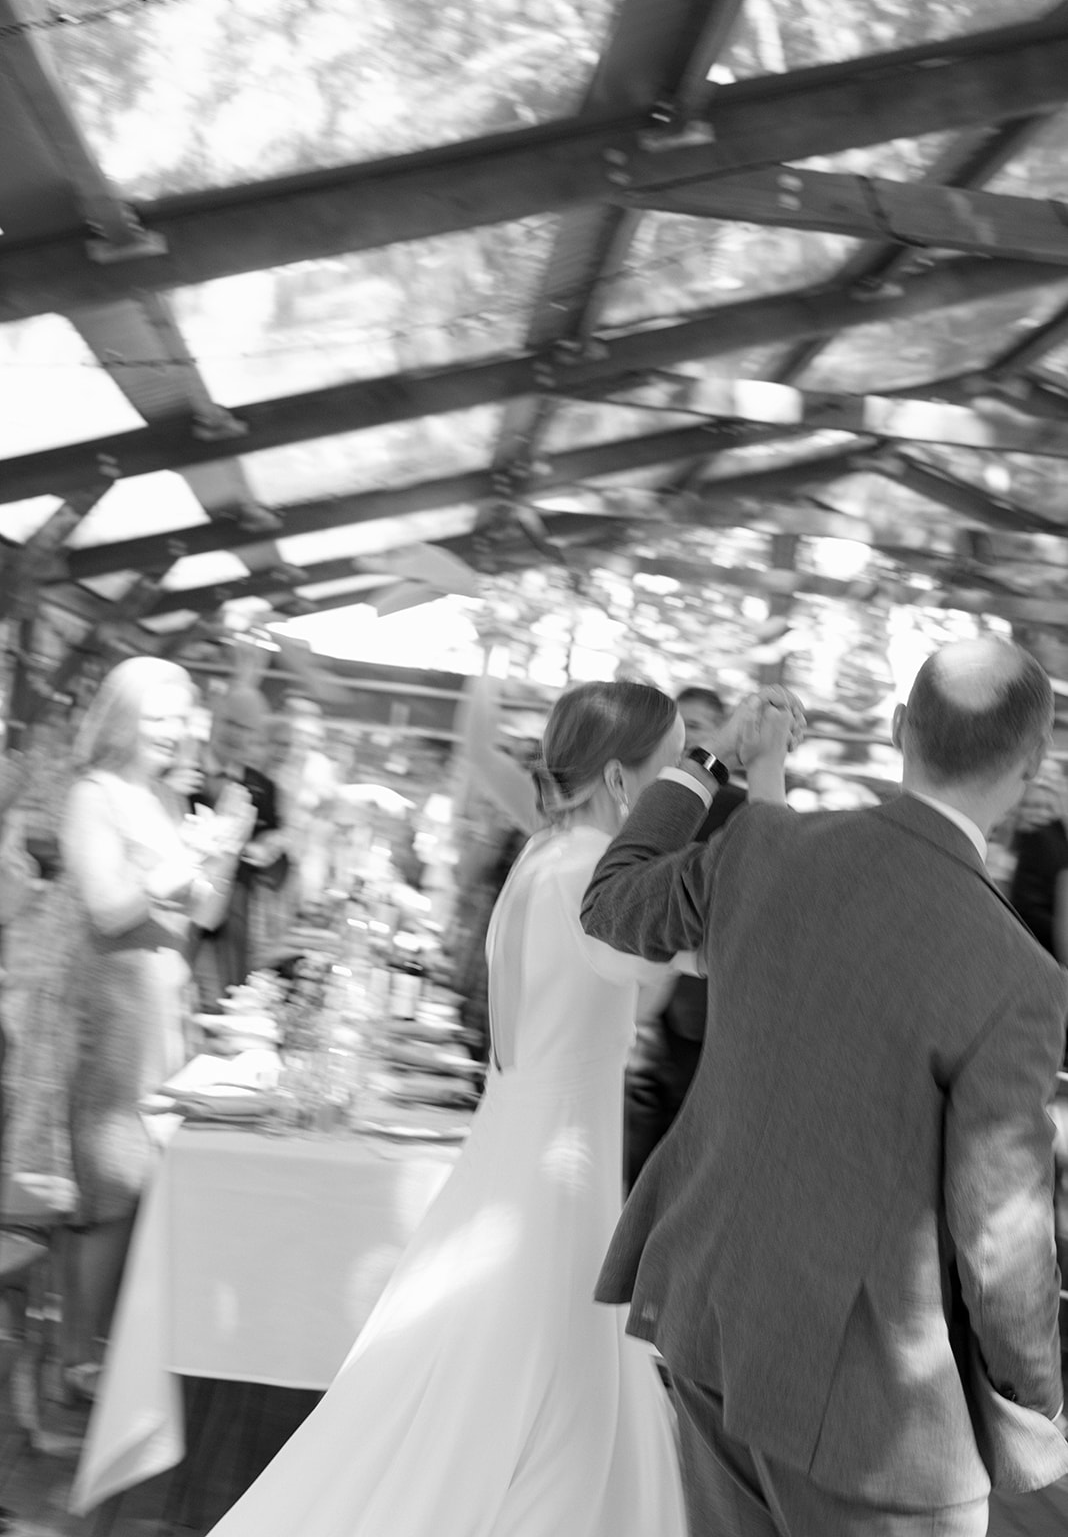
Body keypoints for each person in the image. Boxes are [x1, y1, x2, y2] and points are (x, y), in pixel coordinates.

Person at [200, 679, 787, 1537]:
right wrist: (751, 772)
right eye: (666, 770)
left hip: (523, 1151)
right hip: (556, 1174)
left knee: (519, 1378)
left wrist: (735, 767)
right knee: (538, 1385)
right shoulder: (586, 871)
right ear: (621, 781)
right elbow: (747, 925)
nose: (678, 793)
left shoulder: (545, 856)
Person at [581, 638, 1068, 1536]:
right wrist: (1038, 1397)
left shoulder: (766, 846)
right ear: (1033, 764)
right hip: (872, 1415)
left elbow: (612, 898)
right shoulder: (1019, 976)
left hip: (713, 1326)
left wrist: (706, 759)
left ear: (899, 729)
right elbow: (1000, 1232)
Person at [61, 658, 254, 1399]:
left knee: (151, 1184)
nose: (176, 730)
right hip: (115, 1009)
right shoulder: (94, 795)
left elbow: (205, 912)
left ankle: (120, 1356)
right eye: (161, 716)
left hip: (165, 1008)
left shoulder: (168, 799)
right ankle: (76, 1364)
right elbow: (108, 908)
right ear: (124, 716)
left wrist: (224, 848)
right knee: (112, 1184)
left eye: (182, 716)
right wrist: (183, 863)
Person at [624, 684, 748, 1187]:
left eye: (699, 726)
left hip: (709, 1009)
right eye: (682, 728)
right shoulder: (657, 803)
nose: (690, 739)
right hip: (653, 1012)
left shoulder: (741, 809)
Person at [190, 684, 288, 1004]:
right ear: (214, 719)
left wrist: (270, 848)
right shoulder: (181, 772)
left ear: (255, 735)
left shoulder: (263, 789)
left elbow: (277, 864)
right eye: (230, 722)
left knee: (218, 1003)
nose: (235, 734)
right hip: (178, 908)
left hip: (230, 922)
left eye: (245, 728)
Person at [1010, 757, 1068, 962]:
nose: (1036, 812)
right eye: (1031, 805)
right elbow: (1025, 905)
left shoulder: (1051, 837)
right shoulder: (1040, 838)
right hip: (1041, 951)